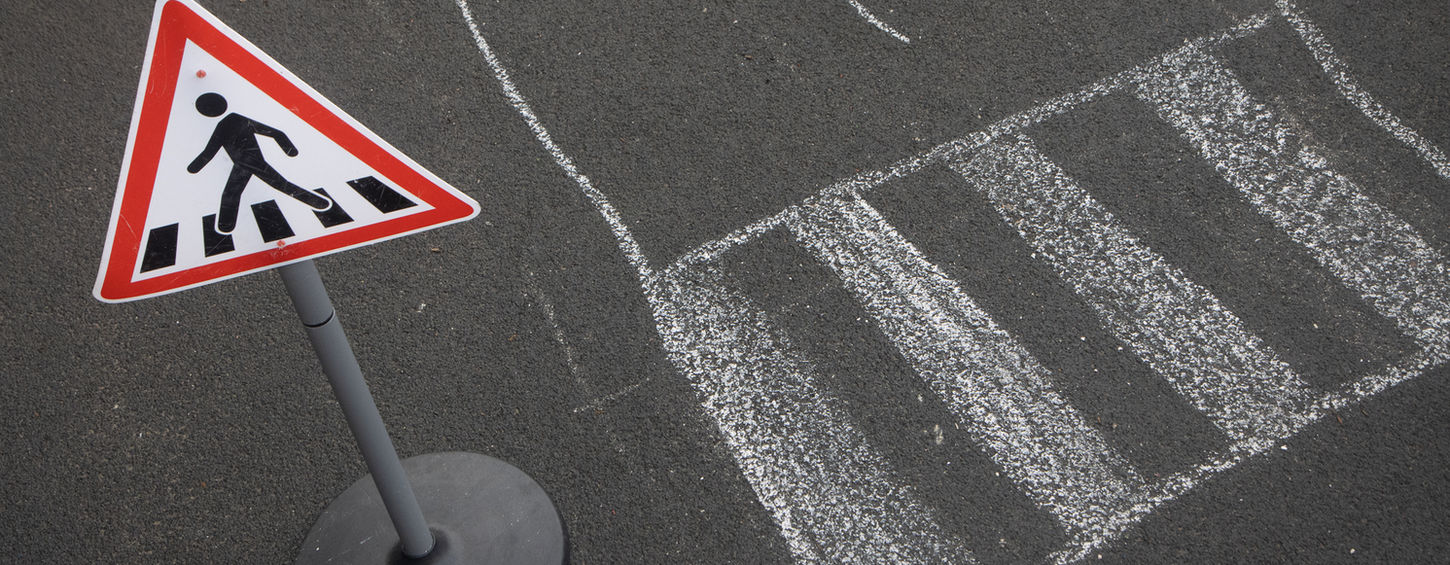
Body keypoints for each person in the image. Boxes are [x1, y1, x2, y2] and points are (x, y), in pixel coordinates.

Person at [186, 92, 331, 234]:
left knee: (273, 185)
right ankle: (225, 227)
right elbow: (275, 133)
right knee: (236, 192)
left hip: (250, 162)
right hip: (244, 163)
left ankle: (225, 226)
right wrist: (289, 149)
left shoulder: (225, 124)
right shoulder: (234, 120)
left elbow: (209, 152)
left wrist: (193, 168)